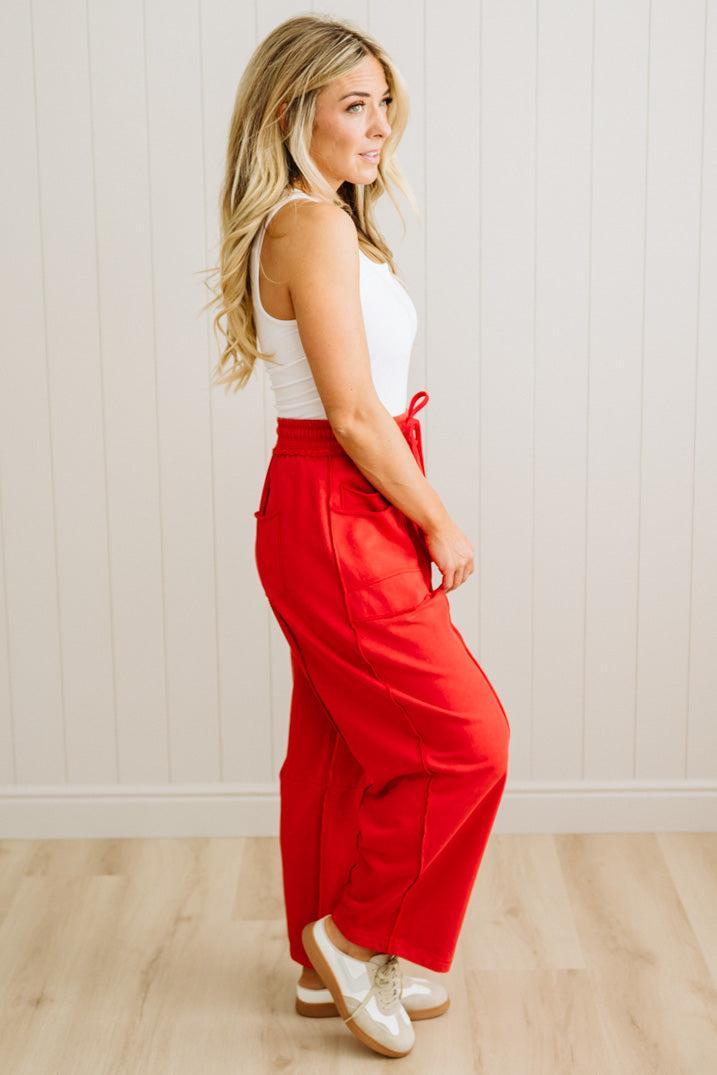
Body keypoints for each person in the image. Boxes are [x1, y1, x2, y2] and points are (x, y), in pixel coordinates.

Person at [208, 14, 510, 1060]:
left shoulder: (324, 219)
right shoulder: (311, 225)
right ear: (295, 114)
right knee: (467, 741)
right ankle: (357, 934)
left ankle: (318, 963)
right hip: (338, 502)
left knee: (339, 749)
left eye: (384, 101)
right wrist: (438, 515)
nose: (381, 125)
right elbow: (350, 414)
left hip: (330, 504)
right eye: (354, 104)